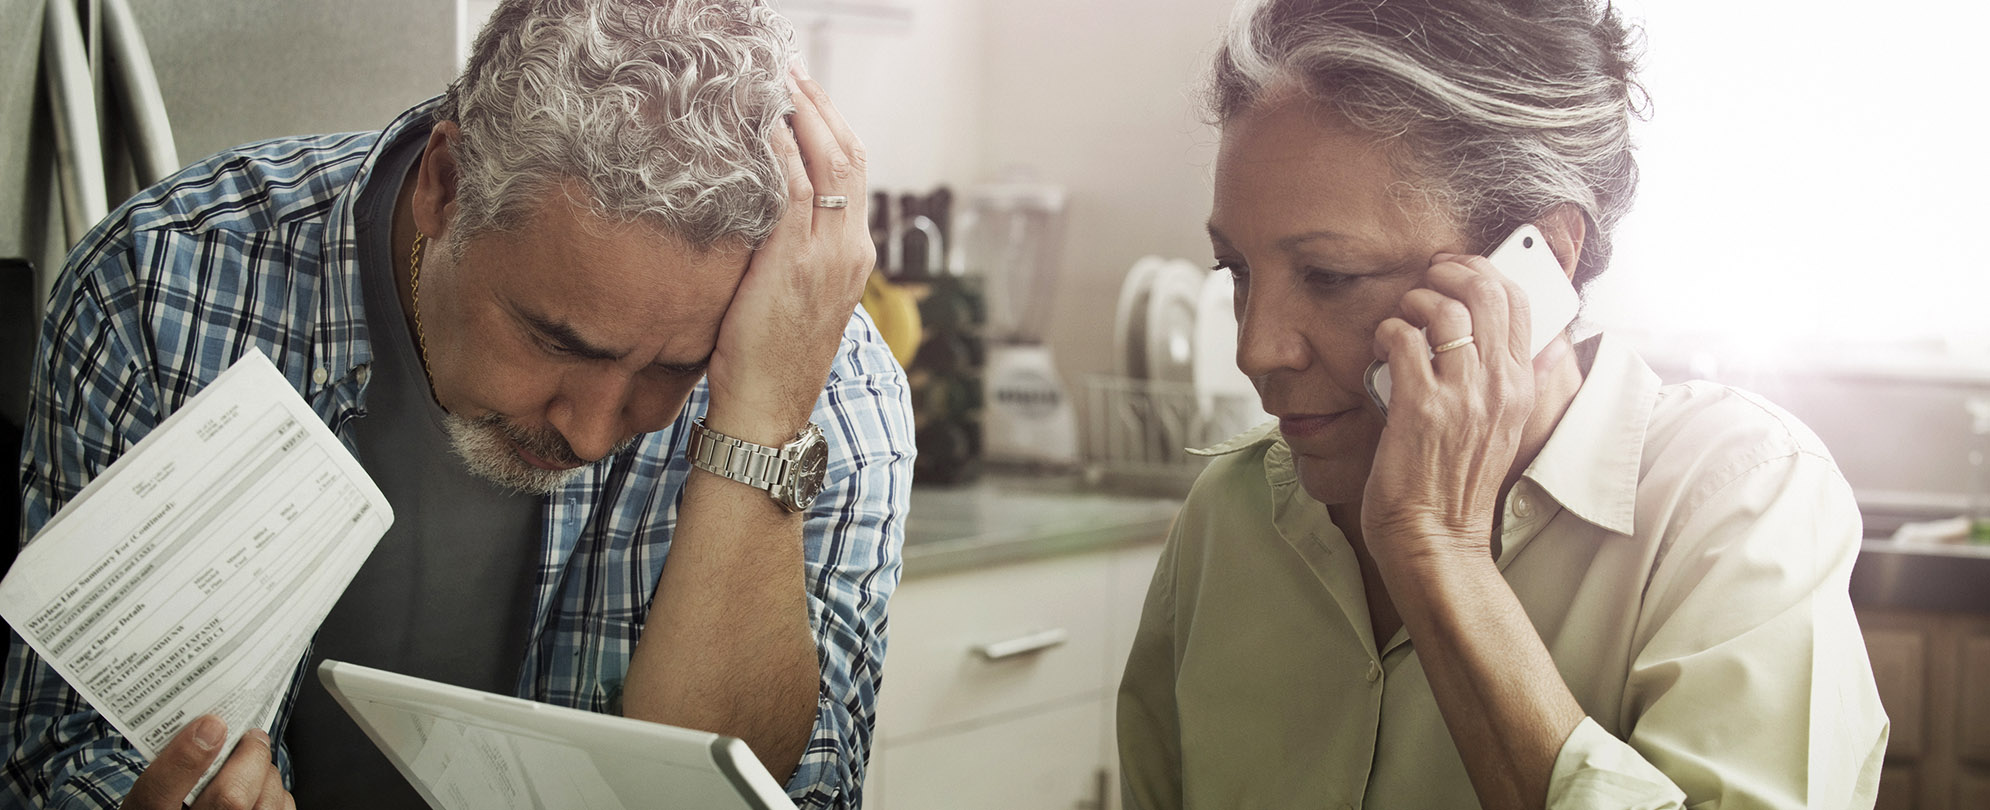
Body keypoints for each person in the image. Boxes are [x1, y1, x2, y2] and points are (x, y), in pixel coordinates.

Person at [3, 1, 912, 808]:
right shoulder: (162, 282)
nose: (592, 432)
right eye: (559, 342)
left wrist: (756, 424)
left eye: (674, 371)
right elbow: (64, 748)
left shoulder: (827, 380)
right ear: (445, 183)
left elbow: (769, 792)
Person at [1115, 0, 1888, 807]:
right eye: (1235, 271)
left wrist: (1438, 554)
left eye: (1331, 276)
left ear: (1542, 260)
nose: (1256, 348)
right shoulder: (1229, 516)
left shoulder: (1741, 501)